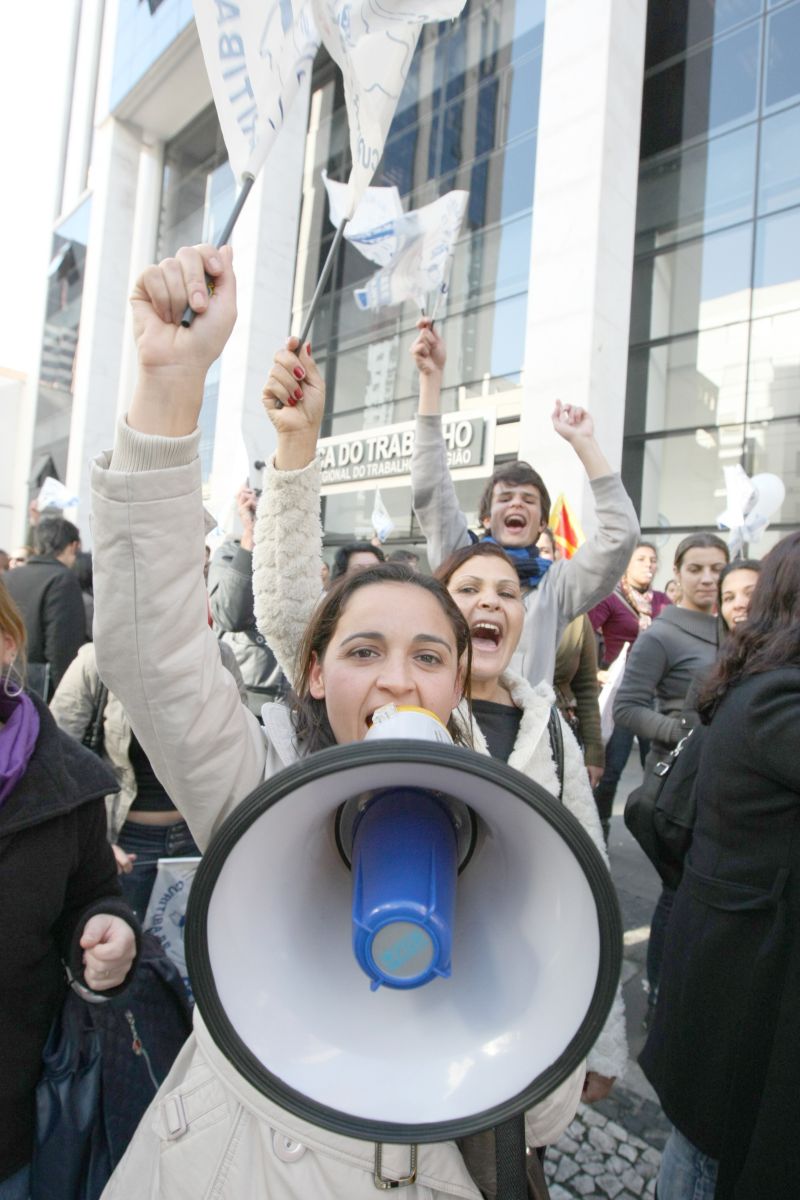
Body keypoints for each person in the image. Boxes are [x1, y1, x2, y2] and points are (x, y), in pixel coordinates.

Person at [93, 245, 620, 1200]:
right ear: (314, 671)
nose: (397, 680)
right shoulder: (260, 787)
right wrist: (168, 390)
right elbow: (152, 650)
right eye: (364, 651)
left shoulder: (515, 815)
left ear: (461, 681)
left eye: (429, 657)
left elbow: (542, 1110)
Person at [639, 532, 800, 1200]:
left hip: (733, 961)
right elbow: (624, 705)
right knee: (711, 1149)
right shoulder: (775, 697)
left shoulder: (758, 682)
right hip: (739, 975)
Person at [0, 579, 139, 1199]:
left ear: (8, 644)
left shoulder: (62, 782)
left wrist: (108, 932)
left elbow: (90, 898)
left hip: (12, 1119)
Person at [409, 317, 639, 687]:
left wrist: (585, 444)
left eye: (528, 500)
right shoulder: (457, 557)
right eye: (505, 497)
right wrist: (430, 380)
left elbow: (621, 536)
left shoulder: (556, 587)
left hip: (525, 721)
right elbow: (430, 487)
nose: (516, 504)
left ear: (542, 522)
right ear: (487, 517)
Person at [613, 533, 729, 1018]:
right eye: (696, 568)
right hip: (683, 784)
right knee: (677, 891)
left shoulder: (739, 630)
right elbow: (626, 707)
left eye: (717, 568)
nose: (707, 578)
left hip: (730, 786)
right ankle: (659, 992)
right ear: (676, 575)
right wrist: (679, 730)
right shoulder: (661, 635)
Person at [49, 638, 248, 919]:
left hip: (199, 841)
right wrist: (95, 846)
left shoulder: (217, 656)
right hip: (126, 846)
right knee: (124, 937)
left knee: (200, 939)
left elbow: (240, 749)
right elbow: (56, 761)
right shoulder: (98, 660)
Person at [589, 542, 672, 838]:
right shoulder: (611, 599)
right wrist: (596, 673)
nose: (649, 564)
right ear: (626, 564)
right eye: (641, 559)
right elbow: (584, 633)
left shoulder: (663, 602)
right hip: (623, 696)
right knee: (611, 770)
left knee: (661, 769)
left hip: (657, 696)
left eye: (653, 559)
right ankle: (599, 834)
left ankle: (657, 833)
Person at [536, 528, 604, 789]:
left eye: (544, 550)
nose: (538, 556)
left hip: (561, 733)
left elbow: (586, 688)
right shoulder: (495, 608)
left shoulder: (576, 617)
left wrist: (594, 751)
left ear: (555, 556)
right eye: (531, 550)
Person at [208, 484, 283, 715]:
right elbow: (230, 615)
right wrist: (251, 538)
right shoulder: (231, 553)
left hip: (292, 699)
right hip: (245, 698)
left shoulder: (295, 559)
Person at [4, 515, 86, 697]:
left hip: (7, 675)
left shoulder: (9, 577)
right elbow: (61, 645)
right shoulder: (62, 579)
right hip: (37, 688)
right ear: (73, 546)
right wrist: (63, 692)